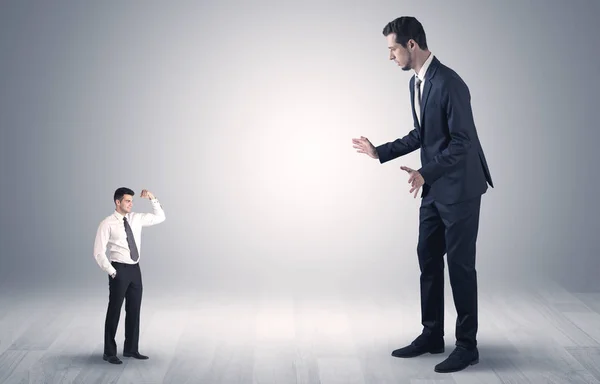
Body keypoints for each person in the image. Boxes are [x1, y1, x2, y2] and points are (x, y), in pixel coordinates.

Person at [352, 16, 493, 373]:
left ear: (411, 45)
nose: (390, 57)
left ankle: (467, 346)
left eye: (392, 49)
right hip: (431, 186)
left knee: (460, 267)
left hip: (460, 188)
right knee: (428, 259)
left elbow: (463, 142)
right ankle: (432, 335)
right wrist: (379, 152)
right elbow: (423, 134)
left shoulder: (449, 83)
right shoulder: (417, 82)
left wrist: (424, 172)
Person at [93, 187, 166, 364]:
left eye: (132, 201)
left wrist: (152, 198)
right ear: (118, 202)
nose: (131, 204)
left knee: (134, 310)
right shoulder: (107, 223)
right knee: (114, 311)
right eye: (127, 201)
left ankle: (131, 349)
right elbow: (98, 252)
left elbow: (160, 217)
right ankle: (109, 352)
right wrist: (112, 272)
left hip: (135, 270)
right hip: (118, 270)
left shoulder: (136, 218)